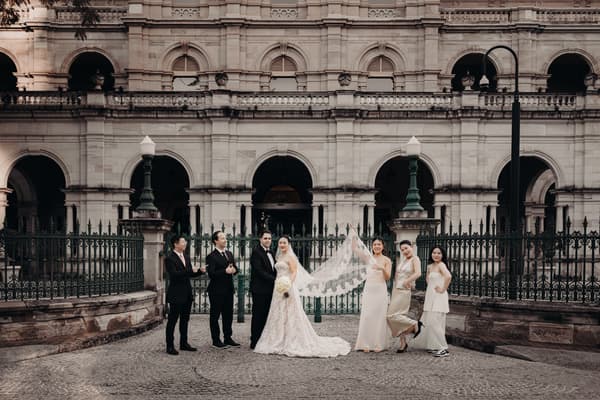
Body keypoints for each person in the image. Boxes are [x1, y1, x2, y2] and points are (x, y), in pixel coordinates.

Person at [254, 235, 351, 357]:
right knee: (278, 313)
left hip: (288, 286)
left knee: (290, 313)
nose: (282, 245)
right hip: (278, 288)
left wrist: (288, 284)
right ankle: (279, 338)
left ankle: (292, 339)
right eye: (280, 243)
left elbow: (294, 272)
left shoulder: (290, 257)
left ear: (288, 244)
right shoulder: (278, 256)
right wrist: (280, 283)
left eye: (284, 243)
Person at [164, 234, 205, 355]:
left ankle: (184, 343)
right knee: (172, 320)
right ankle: (170, 346)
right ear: (176, 244)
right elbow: (174, 275)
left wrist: (199, 272)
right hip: (176, 294)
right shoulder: (169, 258)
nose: (185, 243)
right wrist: (189, 271)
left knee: (184, 320)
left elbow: (189, 274)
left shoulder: (186, 257)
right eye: (183, 242)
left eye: (185, 242)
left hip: (187, 293)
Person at [411, 246, 452, 357]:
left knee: (435, 322)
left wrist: (443, 289)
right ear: (431, 254)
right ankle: (434, 346)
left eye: (439, 253)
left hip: (439, 296)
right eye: (434, 252)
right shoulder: (430, 266)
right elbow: (429, 280)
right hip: (431, 296)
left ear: (442, 255)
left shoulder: (441, 265)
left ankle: (443, 348)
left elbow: (448, 276)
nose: (436, 255)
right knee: (429, 321)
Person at [354, 237, 392, 352]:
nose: (377, 246)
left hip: (380, 289)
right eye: (375, 244)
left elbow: (387, 277)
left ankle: (378, 343)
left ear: (383, 246)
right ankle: (365, 343)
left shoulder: (387, 260)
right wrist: (353, 234)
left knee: (380, 316)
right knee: (367, 315)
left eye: (379, 244)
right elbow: (355, 249)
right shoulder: (368, 258)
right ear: (372, 246)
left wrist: (382, 268)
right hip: (369, 289)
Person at [386, 239, 423, 353]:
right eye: (402, 250)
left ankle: (415, 324)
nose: (404, 251)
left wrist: (408, 281)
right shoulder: (402, 260)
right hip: (397, 290)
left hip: (404, 291)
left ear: (411, 246)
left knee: (391, 316)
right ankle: (403, 343)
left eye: (406, 248)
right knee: (396, 317)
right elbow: (397, 275)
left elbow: (418, 273)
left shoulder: (415, 259)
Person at [206, 231, 240, 349]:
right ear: (216, 241)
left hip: (228, 289)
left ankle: (228, 337)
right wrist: (224, 271)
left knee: (228, 315)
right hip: (216, 290)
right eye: (222, 238)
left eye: (225, 238)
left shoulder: (229, 254)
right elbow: (211, 274)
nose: (225, 240)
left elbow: (235, 268)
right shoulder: (211, 256)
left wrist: (234, 270)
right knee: (215, 316)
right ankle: (216, 340)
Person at [249, 230, 277, 349]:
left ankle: (265, 339)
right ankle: (254, 341)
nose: (268, 240)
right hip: (259, 289)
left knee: (267, 315)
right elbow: (259, 271)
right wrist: (275, 279)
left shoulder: (272, 252)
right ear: (260, 239)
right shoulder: (256, 252)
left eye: (269, 238)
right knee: (258, 315)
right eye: (265, 238)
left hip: (270, 289)